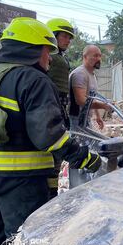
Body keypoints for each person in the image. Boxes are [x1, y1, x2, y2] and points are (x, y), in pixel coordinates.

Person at [0, 17, 101, 245]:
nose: (49, 59)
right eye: (46, 51)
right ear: (32, 49)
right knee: (27, 244)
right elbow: (49, 135)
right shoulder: (32, 79)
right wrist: (85, 157)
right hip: (21, 181)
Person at [45, 18, 74, 198]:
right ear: (53, 36)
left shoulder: (60, 57)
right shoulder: (53, 58)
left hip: (60, 110)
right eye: (65, 36)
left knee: (55, 162)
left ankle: (51, 193)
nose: (68, 40)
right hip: (52, 111)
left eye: (69, 38)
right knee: (52, 160)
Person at [69, 45, 111, 130]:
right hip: (75, 119)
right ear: (85, 57)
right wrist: (103, 105)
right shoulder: (80, 74)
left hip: (85, 119)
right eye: (95, 56)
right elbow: (81, 101)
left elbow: (92, 97)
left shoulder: (92, 74)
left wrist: (98, 116)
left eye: (100, 56)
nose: (99, 59)